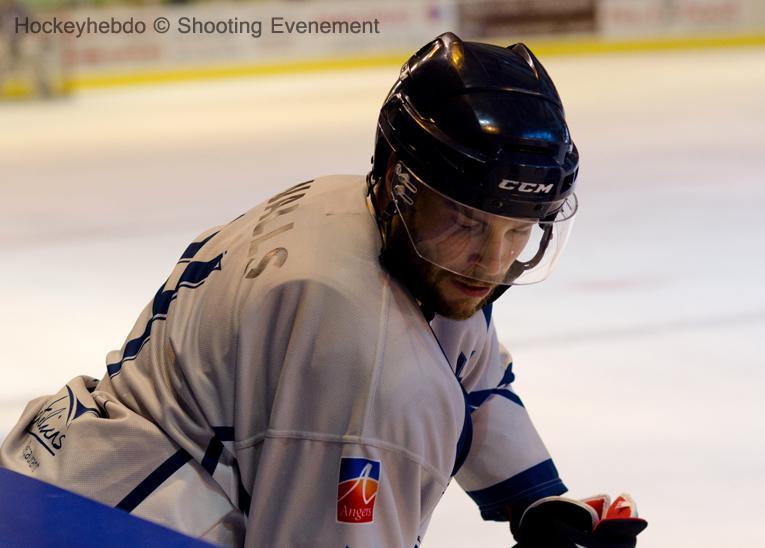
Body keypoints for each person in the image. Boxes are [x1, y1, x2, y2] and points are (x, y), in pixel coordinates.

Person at [0, 32, 646, 547]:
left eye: (520, 231)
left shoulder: (354, 212)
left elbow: (467, 366)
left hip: (51, 491)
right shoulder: (366, 359)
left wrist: (535, 501)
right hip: (122, 530)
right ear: (398, 179)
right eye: (467, 222)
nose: (491, 261)